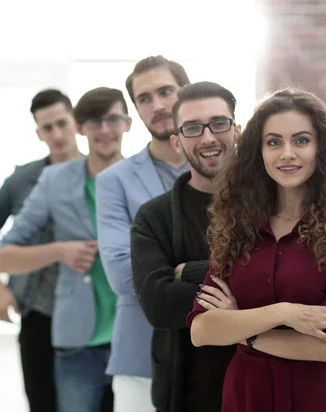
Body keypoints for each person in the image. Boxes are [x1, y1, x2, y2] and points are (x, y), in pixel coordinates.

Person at [187, 88, 326, 412]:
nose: (287, 153)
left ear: (320, 149)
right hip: (245, 396)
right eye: (274, 142)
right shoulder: (234, 226)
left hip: (313, 398)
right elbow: (201, 330)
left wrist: (242, 329)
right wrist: (285, 313)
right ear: (258, 152)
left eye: (301, 140)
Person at [0, 87, 131, 412]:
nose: (105, 130)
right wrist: (60, 251)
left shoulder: (144, 176)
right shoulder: (55, 180)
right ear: (80, 127)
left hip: (135, 335)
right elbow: (3, 257)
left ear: (127, 124)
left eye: (113, 120)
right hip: (77, 341)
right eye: (95, 122)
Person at [0, 89, 81, 412]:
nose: (57, 134)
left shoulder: (102, 175)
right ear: (38, 133)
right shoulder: (23, 180)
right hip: (37, 313)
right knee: (43, 402)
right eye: (48, 128)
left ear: (76, 123)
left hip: (93, 312)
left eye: (62, 123)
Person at [130, 81, 241, 412]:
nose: (208, 137)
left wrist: (193, 271)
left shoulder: (272, 206)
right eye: (193, 128)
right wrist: (252, 293)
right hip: (188, 392)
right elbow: (159, 305)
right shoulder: (154, 217)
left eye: (218, 123)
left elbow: (286, 284)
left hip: (265, 384)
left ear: (237, 130)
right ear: (177, 141)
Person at [95, 55, 190, 411]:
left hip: (222, 348)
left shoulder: (228, 172)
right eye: (145, 98)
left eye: (166, 91)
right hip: (141, 354)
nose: (158, 105)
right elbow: (122, 275)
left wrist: (168, 267)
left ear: (187, 92)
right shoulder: (114, 181)